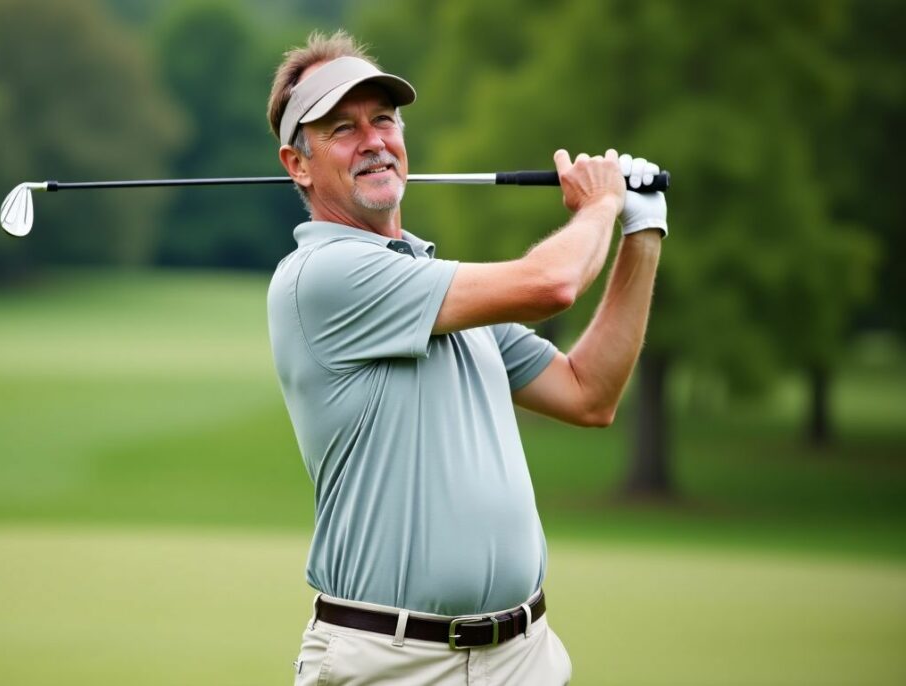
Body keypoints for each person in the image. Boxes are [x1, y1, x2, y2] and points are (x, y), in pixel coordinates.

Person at [266, 31, 666, 685]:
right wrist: (601, 204)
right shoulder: (322, 277)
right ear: (298, 164)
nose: (374, 140)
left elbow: (589, 394)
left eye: (384, 121)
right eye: (343, 128)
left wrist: (642, 230)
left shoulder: (439, 286)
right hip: (393, 664)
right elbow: (551, 285)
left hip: (523, 656)